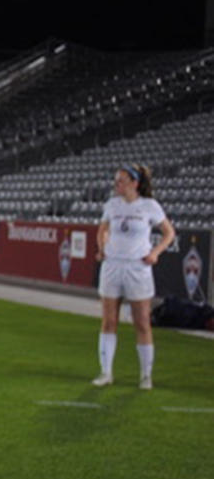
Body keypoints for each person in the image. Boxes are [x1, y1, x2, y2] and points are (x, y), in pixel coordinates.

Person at [93, 164, 175, 389]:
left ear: (134, 183)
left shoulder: (149, 206)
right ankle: (106, 372)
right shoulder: (112, 205)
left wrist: (155, 253)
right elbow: (103, 230)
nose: (116, 184)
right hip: (112, 266)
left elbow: (169, 233)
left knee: (142, 322)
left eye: (120, 180)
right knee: (109, 321)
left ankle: (145, 375)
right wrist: (102, 247)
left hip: (137, 268)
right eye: (116, 181)